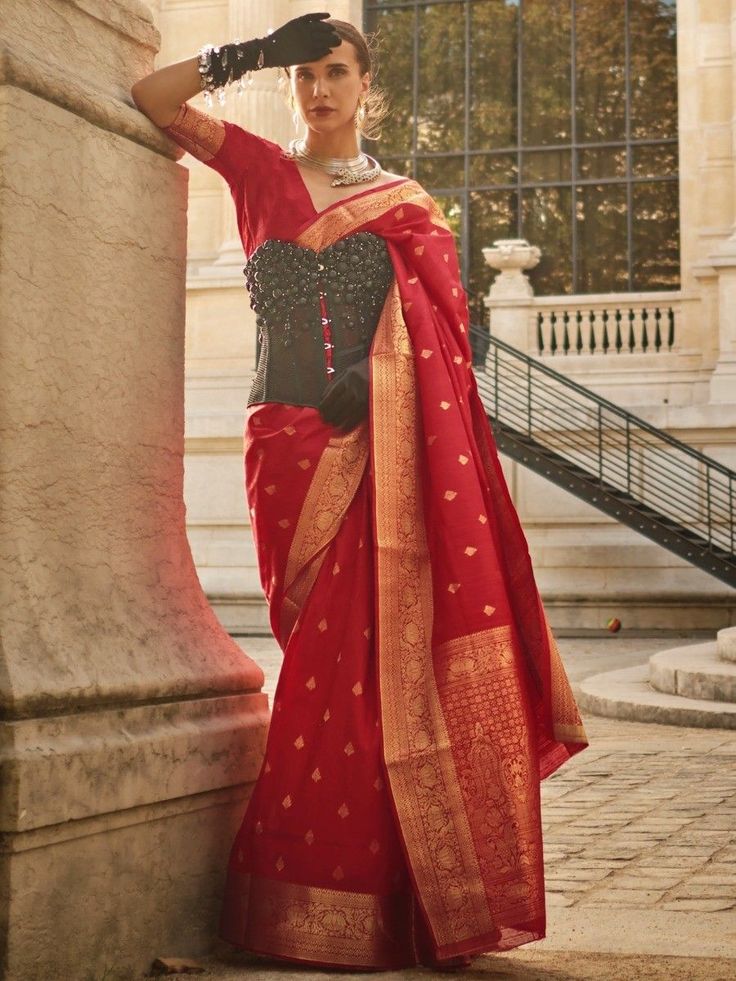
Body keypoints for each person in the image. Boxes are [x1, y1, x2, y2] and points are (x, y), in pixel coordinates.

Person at [131, 13, 589, 973]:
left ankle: (380, 898)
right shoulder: (257, 171)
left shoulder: (406, 205)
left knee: (362, 672)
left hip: (370, 448)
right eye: (304, 76)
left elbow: (446, 348)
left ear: (364, 83)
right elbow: (154, 99)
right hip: (285, 447)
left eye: (334, 72)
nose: (319, 91)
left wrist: (376, 384)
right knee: (314, 652)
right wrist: (247, 54)